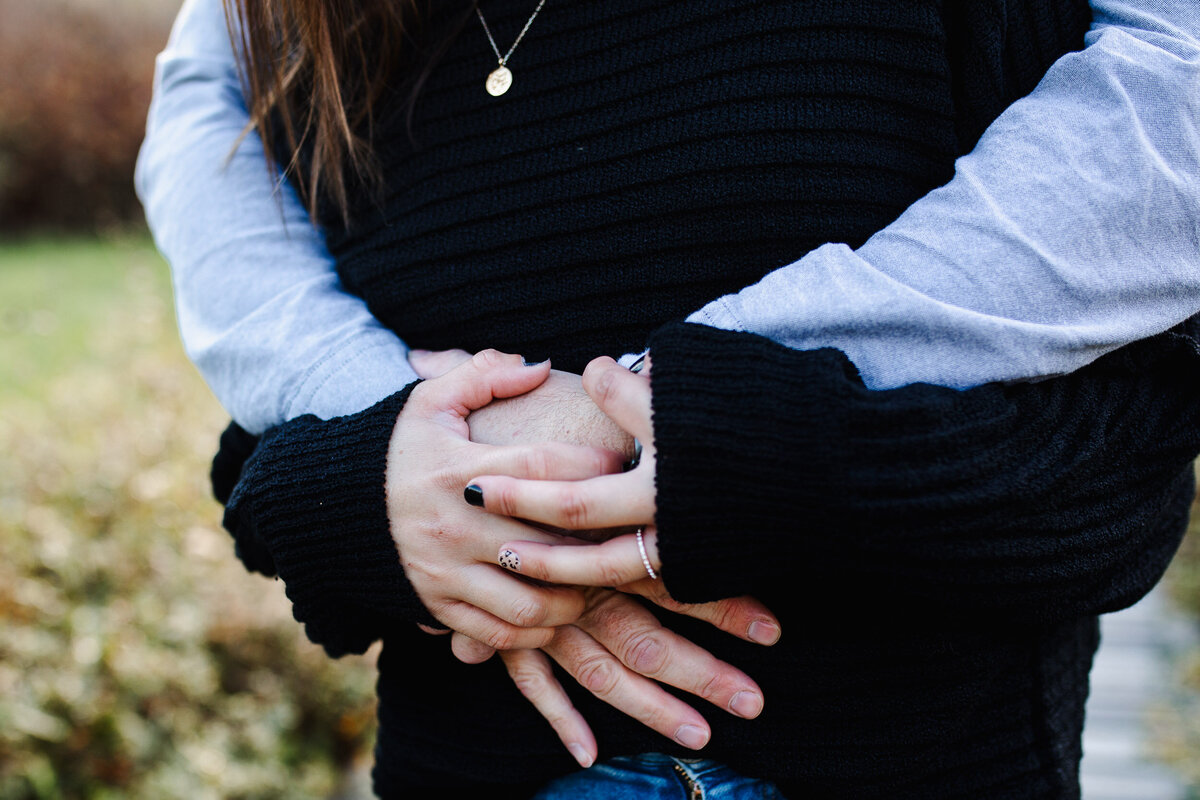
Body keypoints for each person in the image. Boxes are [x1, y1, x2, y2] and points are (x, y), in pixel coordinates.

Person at [137, 0, 1200, 797]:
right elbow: (265, 460)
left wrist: (676, 436)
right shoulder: (319, 38)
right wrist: (377, 476)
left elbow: (1125, 449)